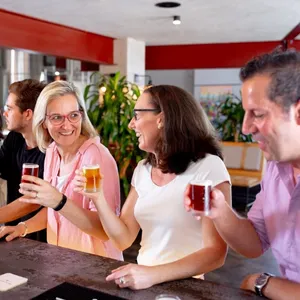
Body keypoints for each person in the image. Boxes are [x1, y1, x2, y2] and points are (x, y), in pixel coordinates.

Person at [73, 85, 231, 290]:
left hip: (185, 288)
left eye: (137, 116)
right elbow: (123, 239)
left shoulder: (206, 168)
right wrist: (98, 198)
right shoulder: (143, 170)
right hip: (144, 284)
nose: (131, 124)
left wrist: (152, 274)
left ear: (162, 119)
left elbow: (215, 253)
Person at [185, 49, 300, 299]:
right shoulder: (276, 167)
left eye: (257, 114)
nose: (246, 127)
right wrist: (219, 210)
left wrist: (264, 283)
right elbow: (254, 242)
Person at [0, 80, 122, 260]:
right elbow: (53, 211)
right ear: (43, 122)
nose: (67, 125)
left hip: (96, 268)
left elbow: (105, 231)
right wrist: (22, 227)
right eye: (57, 118)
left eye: (73, 115)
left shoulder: (96, 158)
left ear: (82, 115)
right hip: (61, 261)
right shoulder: (52, 152)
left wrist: (59, 201)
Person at [0, 79, 47, 241]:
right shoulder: (15, 138)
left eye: (9, 108)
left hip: (42, 239)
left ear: (27, 114)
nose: (4, 113)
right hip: (12, 232)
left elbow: (34, 201)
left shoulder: (51, 150)